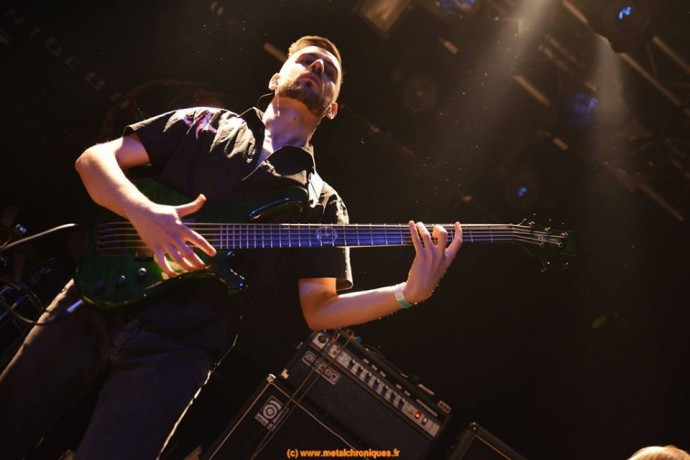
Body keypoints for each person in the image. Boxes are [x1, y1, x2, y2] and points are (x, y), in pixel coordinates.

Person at [0, 35, 462, 459]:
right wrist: (144, 212)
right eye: (307, 60)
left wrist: (407, 293)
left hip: (180, 347)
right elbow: (94, 160)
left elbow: (319, 309)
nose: (318, 68)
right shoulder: (204, 122)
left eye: (329, 72)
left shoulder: (321, 202)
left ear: (333, 108)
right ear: (275, 78)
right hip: (95, 297)